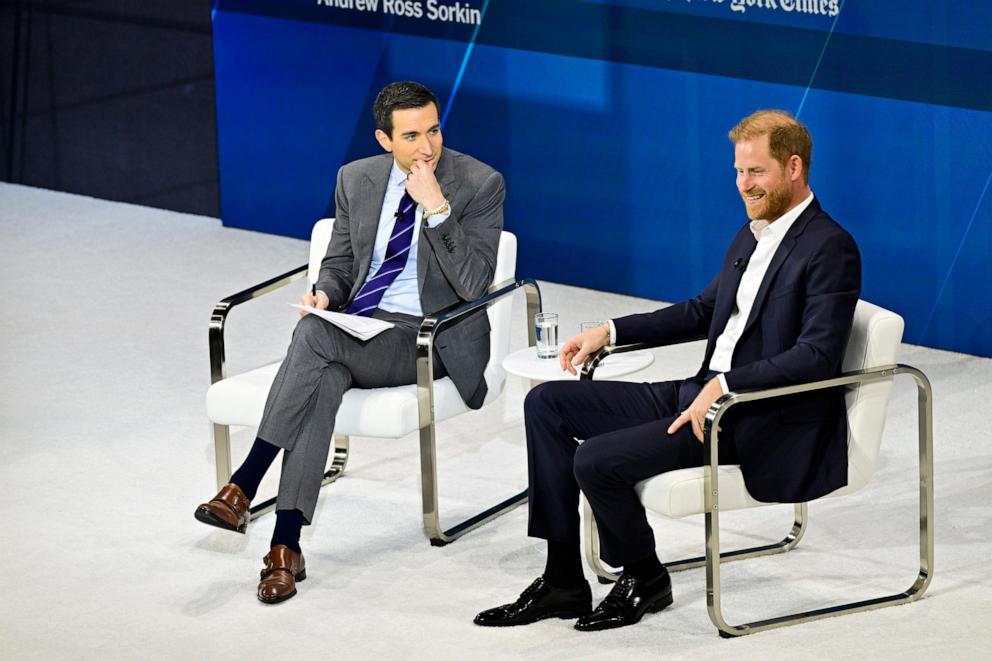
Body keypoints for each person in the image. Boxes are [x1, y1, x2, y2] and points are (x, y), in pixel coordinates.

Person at [475, 110, 860, 631]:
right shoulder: (752, 234)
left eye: (757, 173)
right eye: (738, 172)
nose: (744, 185)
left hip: (753, 416)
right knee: (546, 403)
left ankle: (645, 577)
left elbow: (817, 354)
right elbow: (702, 312)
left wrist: (727, 386)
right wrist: (609, 331)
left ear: (794, 167)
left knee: (596, 461)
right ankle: (563, 577)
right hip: (699, 393)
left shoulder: (830, 246)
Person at [195, 81, 505, 604]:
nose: (427, 147)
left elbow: (475, 286)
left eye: (433, 130)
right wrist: (324, 293)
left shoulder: (478, 183)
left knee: (314, 338)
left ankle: (245, 481)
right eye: (411, 136)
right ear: (384, 139)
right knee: (323, 374)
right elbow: (339, 263)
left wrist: (436, 209)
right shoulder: (356, 179)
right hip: (359, 327)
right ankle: (284, 547)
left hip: (427, 336)